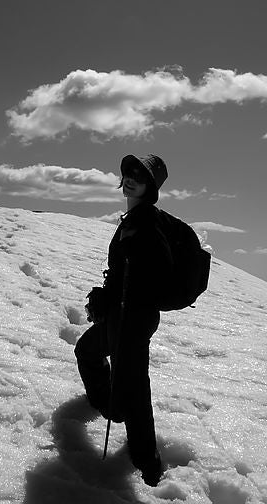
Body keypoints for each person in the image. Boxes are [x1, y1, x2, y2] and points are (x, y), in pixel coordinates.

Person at [74, 154, 171, 487]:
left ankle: (148, 463)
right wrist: (108, 295)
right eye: (128, 173)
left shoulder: (147, 222)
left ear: (150, 187)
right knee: (88, 351)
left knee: (135, 387)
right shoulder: (132, 218)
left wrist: (130, 291)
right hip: (121, 313)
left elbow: (159, 270)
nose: (130, 178)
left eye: (139, 176)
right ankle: (111, 405)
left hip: (133, 318)